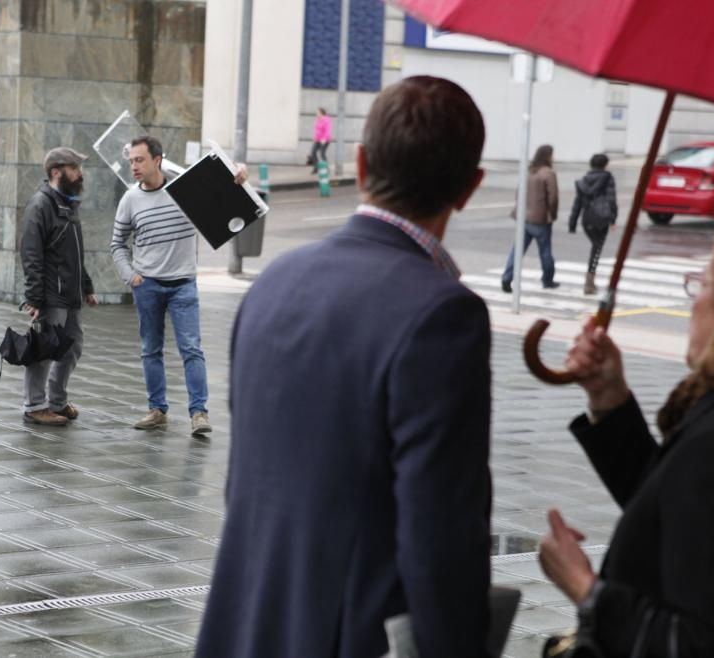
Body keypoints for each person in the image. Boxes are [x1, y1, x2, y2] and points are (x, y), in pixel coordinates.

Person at [196, 76, 493, 658]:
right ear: (470, 188)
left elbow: (245, 486)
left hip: (247, 626)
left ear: (359, 164)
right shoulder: (444, 314)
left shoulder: (274, 282)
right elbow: (441, 540)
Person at [539, 218, 714, 657]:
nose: (693, 302)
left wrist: (586, 590)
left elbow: (703, 647)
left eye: (703, 284)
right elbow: (684, 517)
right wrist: (609, 400)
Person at [112, 136, 247, 437]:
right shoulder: (130, 199)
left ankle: (199, 413)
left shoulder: (185, 191)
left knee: (191, 349)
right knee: (151, 350)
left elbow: (228, 191)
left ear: (157, 160)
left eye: (139, 160)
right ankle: (157, 410)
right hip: (147, 285)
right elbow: (117, 243)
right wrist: (130, 275)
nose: (133, 166)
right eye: (131, 160)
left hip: (183, 284)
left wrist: (239, 172)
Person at [20, 146, 98, 427]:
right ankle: (34, 405)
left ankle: (56, 400)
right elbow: (31, 254)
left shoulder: (68, 203)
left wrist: (86, 286)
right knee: (44, 350)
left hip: (71, 295)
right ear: (56, 172)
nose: (80, 174)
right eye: (74, 168)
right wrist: (35, 298)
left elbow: (74, 254)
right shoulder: (41, 205)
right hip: (51, 296)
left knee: (72, 347)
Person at [501, 144, 560, 291]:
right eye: (552, 155)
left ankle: (507, 278)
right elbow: (553, 198)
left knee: (517, 250)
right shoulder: (548, 173)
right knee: (545, 251)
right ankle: (547, 280)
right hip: (540, 219)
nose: (554, 157)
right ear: (548, 156)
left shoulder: (529, 171)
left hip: (523, 218)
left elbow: (518, 192)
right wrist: (552, 214)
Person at [568, 153, 618, 295]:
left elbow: (577, 203)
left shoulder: (583, 181)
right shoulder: (608, 178)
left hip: (587, 220)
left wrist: (572, 223)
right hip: (601, 219)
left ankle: (590, 280)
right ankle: (589, 282)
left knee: (596, 247)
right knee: (597, 248)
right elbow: (611, 199)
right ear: (605, 165)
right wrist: (613, 219)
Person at [309, 107, 332, 173]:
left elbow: (327, 131)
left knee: (322, 153)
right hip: (317, 140)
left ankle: (326, 168)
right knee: (313, 152)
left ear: (321, 113)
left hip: (325, 140)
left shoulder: (326, 120)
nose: (316, 114)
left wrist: (324, 139)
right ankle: (316, 167)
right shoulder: (317, 120)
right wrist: (315, 137)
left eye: (318, 112)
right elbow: (317, 130)